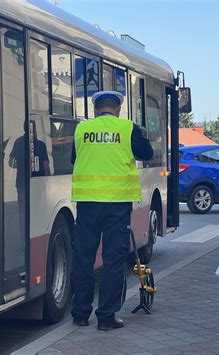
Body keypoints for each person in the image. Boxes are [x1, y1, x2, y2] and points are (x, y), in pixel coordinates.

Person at [70, 91, 153, 331]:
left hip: (86, 204)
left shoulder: (81, 130)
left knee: (83, 258)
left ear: (96, 109)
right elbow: (147, 153)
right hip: (116, 204)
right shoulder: (127, 128)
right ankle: (106, 317)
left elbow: (75, 159)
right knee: (113, 259)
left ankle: (80, 314)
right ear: (117, 109)